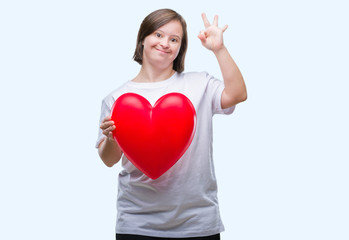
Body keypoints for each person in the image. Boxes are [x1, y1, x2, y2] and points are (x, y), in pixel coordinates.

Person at [96, 8, 247, 240]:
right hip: (137, 222)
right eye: (158, 35)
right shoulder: (117, 98)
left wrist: (219, 49)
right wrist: (111, 137)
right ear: (142, 40)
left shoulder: (199, 84)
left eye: (174, 39)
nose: (165, 43)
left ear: (180, 49)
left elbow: (238, 94)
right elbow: (109, 160)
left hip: (198, 221)